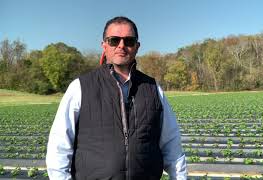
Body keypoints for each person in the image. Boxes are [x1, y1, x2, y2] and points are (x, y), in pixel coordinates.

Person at [46, 16, 187, 180]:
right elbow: (60, 145)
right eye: (114, 40)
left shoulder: (153, 89)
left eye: (129, 41)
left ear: (137, 46)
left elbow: (171, 144)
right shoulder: (80, 87)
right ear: (104, 45)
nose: (121, 45)